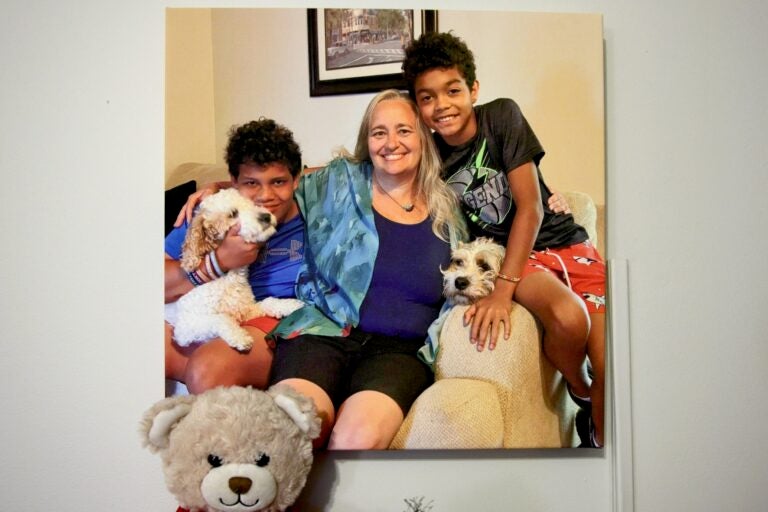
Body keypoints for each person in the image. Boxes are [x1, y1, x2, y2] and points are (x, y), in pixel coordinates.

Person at [402, 32, 607, 448]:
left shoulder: (501, 117)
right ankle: (578, 389)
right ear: (418, 106)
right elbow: (377, 158)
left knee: (612, 363)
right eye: (427, 98)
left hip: (565, 242)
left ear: (473, 89)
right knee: (569, 320)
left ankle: (602, 453)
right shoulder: (427, 155)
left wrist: (503, 290)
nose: (441, 105)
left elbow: (530, 207)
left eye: (453, 90)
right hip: (519, 254)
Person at [266, 89, 467, 450]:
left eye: (404, 131)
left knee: (356, 439)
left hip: (399, 352)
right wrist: (219, 189)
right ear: (367, 141)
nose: (392, 143)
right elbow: (274, 187)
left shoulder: (449, 210)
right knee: (290, 429)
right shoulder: (340, 183)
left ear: (423, 136)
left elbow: (488, 255)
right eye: (379, 132)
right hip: (325, 333)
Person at [164, 118, 304, 394]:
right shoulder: (211, 212)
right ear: (233, 182)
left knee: (209, 368)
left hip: (266, 321)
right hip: (202, 314)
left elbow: (360, 168)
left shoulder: (314, 212)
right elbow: (146, 286)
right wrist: (217, 263)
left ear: (297, 179)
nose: (265, 196)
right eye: (251, 183)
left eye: (278, 182)